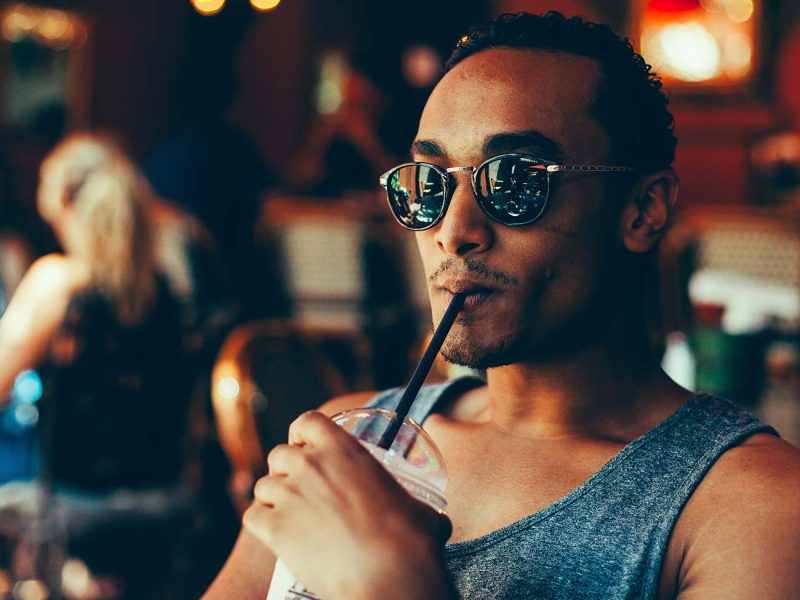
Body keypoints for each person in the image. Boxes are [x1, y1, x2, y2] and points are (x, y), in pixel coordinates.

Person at [204, 12, 800, 599]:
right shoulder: (350, 440)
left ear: (642, 210)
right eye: (430, 184)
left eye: (516, 181)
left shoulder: (749, 504)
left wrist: (394, 584)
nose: (453, 231)